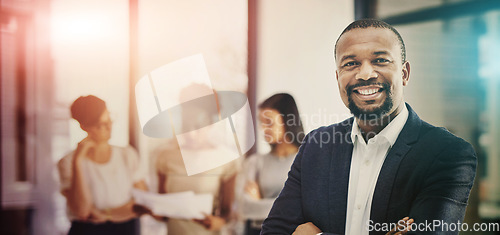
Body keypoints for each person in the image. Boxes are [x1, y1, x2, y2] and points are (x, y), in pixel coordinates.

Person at [260, 19, 477, 235]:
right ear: (338, 77)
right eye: (350, 64)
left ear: (404, 73)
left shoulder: (449, 153)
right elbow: (273, 231)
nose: (365, 74)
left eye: (380, 60)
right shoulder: (316, 145)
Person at [154, 84, 240, 235]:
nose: (191, 134)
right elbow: (162, 211)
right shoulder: (165, 156)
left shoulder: (226, 160)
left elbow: (228, 212)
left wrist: (219, 221)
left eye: (198, 126)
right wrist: (153, 210)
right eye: (187, 126)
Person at [58, 95, 149, 235]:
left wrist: (105, 214)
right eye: (101, 124)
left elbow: (144, 203)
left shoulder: (127, 155)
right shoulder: (68, 162)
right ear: (84, 127)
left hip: (126, 229)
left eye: (109, 120)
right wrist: (78, 161)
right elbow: (82, 210)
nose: (109, 127)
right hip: (86, 231)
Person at [239, 93, 304, 235]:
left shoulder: (306, 160)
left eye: (269, 122)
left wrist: (259, 202)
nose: (263, 129)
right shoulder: (255, 163)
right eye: (261, 123)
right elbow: (244, 208)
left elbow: (303, 207)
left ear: (288, 120)